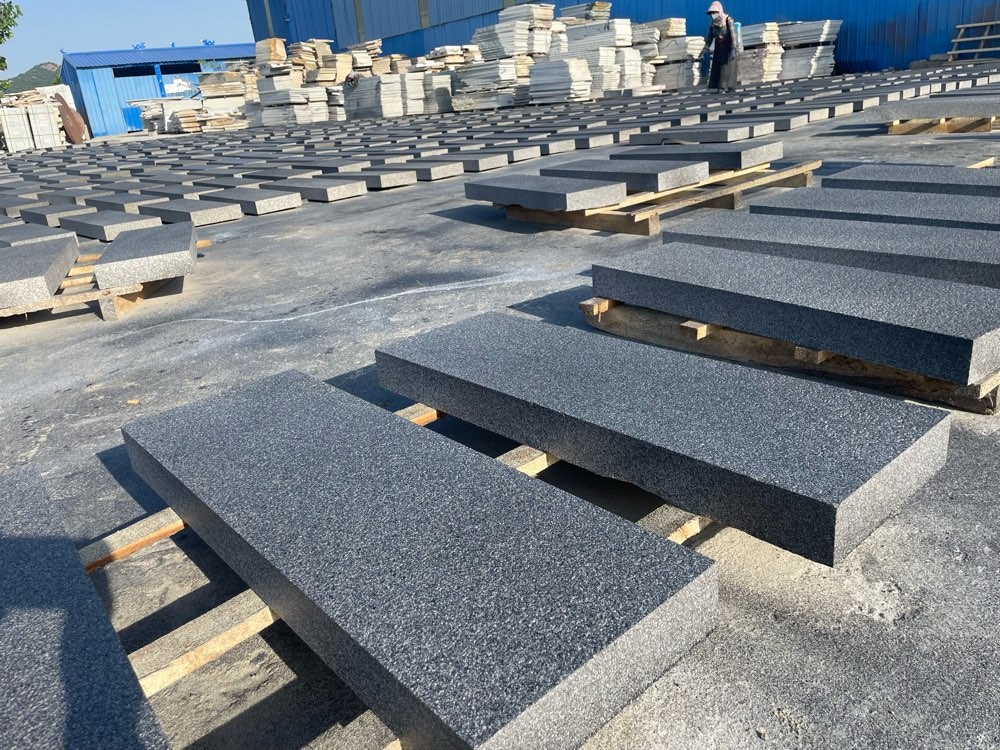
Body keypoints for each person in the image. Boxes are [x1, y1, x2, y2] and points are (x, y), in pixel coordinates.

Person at [704, 1, 738, 93]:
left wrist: (733, 49)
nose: (713, 15)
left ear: (719, 11)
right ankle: (719, 87)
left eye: (714, 13)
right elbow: (709, 38)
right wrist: (704, 50)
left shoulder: (728, 20)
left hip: (728, 49)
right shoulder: (713, 24)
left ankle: (730, 87)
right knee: (717, 69)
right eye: (711, 14)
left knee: (727, 68)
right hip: (719, 49)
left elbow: (733, 35)